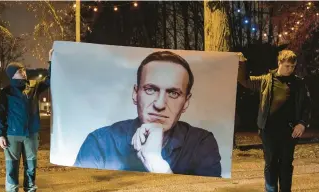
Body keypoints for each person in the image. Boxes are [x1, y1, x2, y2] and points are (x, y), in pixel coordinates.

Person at [74, 51, 222, 177]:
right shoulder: (100, 143)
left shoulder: (201, 143)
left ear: (186, 102)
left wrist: (155, 162)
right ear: (135, 94)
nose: (159, 105)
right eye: (151, 89)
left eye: (173, 93)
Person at [238, 50, 311, 192]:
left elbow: (306, 106)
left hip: (290, 131)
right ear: (279, 63)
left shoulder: (298, 83)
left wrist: (302, 123)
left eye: (292, 66)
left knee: (286, 163)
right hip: (268, 130)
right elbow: (243, 80)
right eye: (286, 66)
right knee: (271, 162)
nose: (290, 69)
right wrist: (242, 63)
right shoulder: (266, 80)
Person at [0, 49, 53, 192]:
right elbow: (0, 114)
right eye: (20, 71)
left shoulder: (33, 87)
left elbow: (51, 80)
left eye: (23, 69)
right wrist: (1, 134)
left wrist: (51, 61)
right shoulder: (6, 92)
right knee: (12, 167)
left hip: (31, 134)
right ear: (13, 75)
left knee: (31, 166)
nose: (23, 72)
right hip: (12, 136)